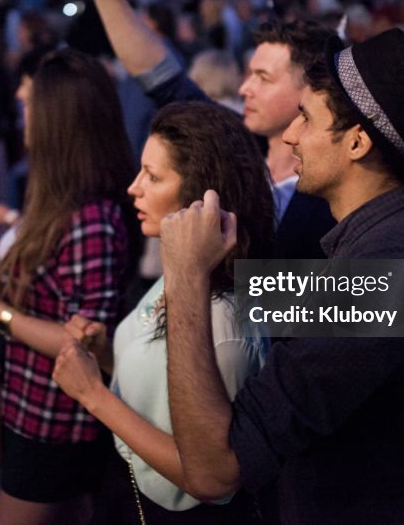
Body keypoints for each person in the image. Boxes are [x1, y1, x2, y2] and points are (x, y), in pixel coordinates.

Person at [161, 29, 404, 523]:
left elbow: (213, 470)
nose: (290, 135)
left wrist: (185, 275)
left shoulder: (389, 264)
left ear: (356, 142)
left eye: (306, 117)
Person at [51, 101, 273, 523]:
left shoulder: (224, 325)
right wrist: (107, 354)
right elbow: (167, 392)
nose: (134, 187)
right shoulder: (185, 268)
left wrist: (91, 393)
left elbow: (205, 476)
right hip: (127, 486)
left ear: (201, 195)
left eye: (153, 177)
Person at [0, 49, 135, 525]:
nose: (21, 106)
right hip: (29, 405)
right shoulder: (59, 198)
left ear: (60, 120)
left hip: (55, 420)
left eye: (31, 101)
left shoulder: (92, 218)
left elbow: (86, 338)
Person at [82, 0, 334, 260]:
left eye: (263, 78)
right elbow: (160, 77)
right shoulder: (238, 147)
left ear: (310, 91)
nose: (245, 88)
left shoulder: (336, 191)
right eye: (248, 73)